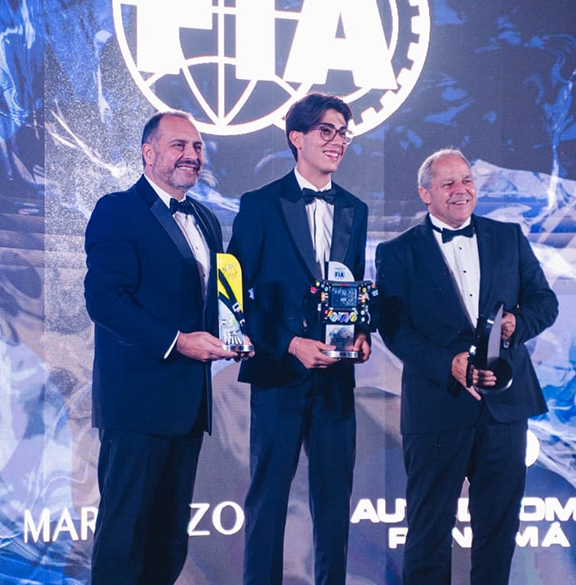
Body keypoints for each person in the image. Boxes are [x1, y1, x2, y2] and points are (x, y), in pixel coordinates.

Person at [375, 148, 559, 585]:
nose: (461, 191)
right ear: (425, 193)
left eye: (467, 181)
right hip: (437, 406)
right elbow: (394, 328)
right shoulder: (398, 252)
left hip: (504, 408)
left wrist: (516, 324)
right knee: (427, 530)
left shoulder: (508, 238)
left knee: (498, 529)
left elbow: (544, 303)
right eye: (448, 184)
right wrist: (449, 363)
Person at [84, 111, 245, 585]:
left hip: (187, 405)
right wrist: (178, 342)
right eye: (179, 146)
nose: (192, 156)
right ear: (148, 152)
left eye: (197, 148)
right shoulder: (117, 210)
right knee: (124, 537)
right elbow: (105, 302)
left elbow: (209, 301)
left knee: (170, 538)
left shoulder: (206, 219)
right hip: (135, 404)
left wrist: (233, 335)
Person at [228, 92, 370, 585]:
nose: (338, 142)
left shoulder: (355, 208)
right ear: (297, 138)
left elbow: (350, 284)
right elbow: (235, 297)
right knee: (268, 499)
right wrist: (290, 343)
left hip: (335, 378)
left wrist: (361, 334)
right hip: (279, 373)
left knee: (334, 503)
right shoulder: (260, 205)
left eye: (343, 133)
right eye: (327, 131)